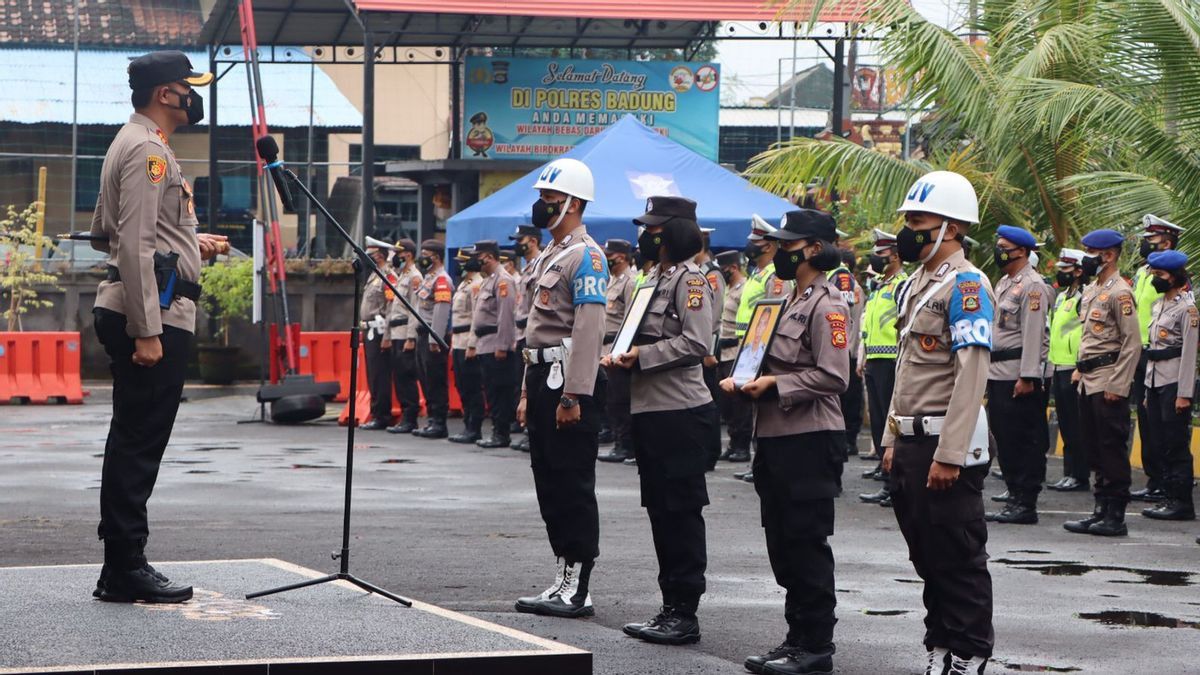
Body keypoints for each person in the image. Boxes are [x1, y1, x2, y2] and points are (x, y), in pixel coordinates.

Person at [89, 50, 227, 602]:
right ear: (167, 94)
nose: (195, 96)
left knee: (134, 438)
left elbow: (109, 231)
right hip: (154, 315)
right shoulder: (149, 150)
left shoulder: (138, 142)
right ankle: (126, 566)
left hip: (152, 307)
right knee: (139, 443)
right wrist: (147, 329)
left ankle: (120, 565)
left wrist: (192, 242)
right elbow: (132, 241)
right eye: (189, 87)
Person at [724, 209, 849, 675]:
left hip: (811, 438)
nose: (780, 251)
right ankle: (796, 637)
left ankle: (815, 645)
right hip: (775, 436)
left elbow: (833, 375)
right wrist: (745, 379)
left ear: (813, 248)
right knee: (781, 542)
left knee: (805, 542)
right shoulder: (784, 300)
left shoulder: (828, 305)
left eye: (789, 244)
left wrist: (775, 385)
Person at [880, 171, 995, 674]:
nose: (909, 229)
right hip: (909, 442)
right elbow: (906, 371)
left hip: (944, 446)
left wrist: (950, 453)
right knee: (925, 556)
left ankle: (969, 653)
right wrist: (889, 437)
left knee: (958, 556)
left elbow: (971, 375)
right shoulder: (915, 284)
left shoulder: (968, 285)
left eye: (918, 220)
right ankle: (941, 646)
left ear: (949, 227)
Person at [609, 197, 716, 645]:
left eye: (654, 229)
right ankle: (669, 605)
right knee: (659, 513)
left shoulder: (691, 280)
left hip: (681, 412)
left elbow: (697, 342)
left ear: (673, 232)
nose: (645, 236)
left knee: (680, 514)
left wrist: (640, 357)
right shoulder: (654, 278)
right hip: (651, 410)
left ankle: (684, 612)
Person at [514, 158, 608, 618]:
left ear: (572, 203)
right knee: (548, 483)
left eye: (550, 200)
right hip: (542, 376)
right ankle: (561, 577)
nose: (542, 206)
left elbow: (588, 332)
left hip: (569, 382)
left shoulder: (587, 256)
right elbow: (534, 332)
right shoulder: (549, 255)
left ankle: (579, 586)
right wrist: (527, 391)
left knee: (572, 483)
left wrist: (575, 395)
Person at [1063, 229, 1142, 537]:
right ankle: (1099, 510)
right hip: (1089, 379)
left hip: (1108, 381)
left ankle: (1115, 515)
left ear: (1108, 255)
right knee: (1094, 448)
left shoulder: (1121, 292)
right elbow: (1091, 337)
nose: (1085, 258)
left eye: (1090, 252)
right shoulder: (1093, 289)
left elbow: (1131, 343)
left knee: (1111, 448)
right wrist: (1080, 370)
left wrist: (1118, 385)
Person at [984, 225, 1050, 525]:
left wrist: (1029, 376)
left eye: (1004, 246)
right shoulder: (1004, 283)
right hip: (998, 372)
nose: (998, 251)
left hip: (1018, 375)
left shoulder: (1032, 286)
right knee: (1005, 438)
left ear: (1022, 251)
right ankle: (1013, 495)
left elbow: (1034, 335)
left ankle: (1025, 502)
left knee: (1024, 438)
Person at [733, 219, 793, 482]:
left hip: (761, 347)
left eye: (755, 243)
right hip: (746, 346)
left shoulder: (775, 276)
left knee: (761, 407)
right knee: (750, 407)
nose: (750, 247)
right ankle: (757, 461)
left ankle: (763, 461)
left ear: (769, 246)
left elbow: (777, 314)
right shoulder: (756, 275)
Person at [1138, 250, 1197, 521]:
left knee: (1176, 444)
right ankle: (1167, 496)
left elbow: (1189, 354)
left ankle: (1181, 501)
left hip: (1174, 382)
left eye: (1160, 275)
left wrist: (1184, 393)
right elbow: (1154, 349)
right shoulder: (1159, 305)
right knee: (1160, 441)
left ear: (1174, 277)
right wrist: (1149, 389)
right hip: (1156, 381)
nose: (1155, 280)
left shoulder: (1188, 309)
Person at [1130, 215, 1184, 503]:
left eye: (1151, 240)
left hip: (1161, 352)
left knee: (1164, 422)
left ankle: (1167, 481)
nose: (1145, 245)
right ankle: (1154, 479)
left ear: (1167, 241)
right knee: (1146, 417)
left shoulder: (1173, 274)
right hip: (1140, 350)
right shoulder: (1143, 272)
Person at [858, 228, 907, 507]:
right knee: (877, 422)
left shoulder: (901, 284)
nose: (877, 259)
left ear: (896, 256)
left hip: (891, 361)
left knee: (890, 423)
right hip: (875, 360)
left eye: (882, 254)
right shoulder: (879, 287)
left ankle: (895, 484)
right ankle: (886, 476)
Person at [1046, 249, 1088, 492]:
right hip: (1058, 364)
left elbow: (1086, 333)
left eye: (1066, 270)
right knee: (1065, 422)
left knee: (1075, 423)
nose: (1060, 273)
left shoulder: (1084, 296)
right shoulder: (1063, 297)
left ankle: (1079, 475)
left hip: (1073, 366)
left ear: (1079, 272)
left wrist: (1080, 366)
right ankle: (1068, 472)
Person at [471, 240, 519, 448]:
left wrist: (503, 345)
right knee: (491, 389)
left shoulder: (503, 281)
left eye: (479, 256)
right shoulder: (489, 280)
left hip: (495, 344)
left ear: (489, 257)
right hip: (485, 343)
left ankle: (501, 433)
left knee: (500, 390)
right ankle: (497, 430)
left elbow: (505, 316)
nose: (476, 260)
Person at [598, 238, 638, 464]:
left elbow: (629, 320)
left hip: (617, 348)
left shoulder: (630, 282)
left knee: (621, 399)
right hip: (605, 347)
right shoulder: (612, 280)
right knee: (610, 399)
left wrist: (621, 351)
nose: (607, 258)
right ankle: (617, 440)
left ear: (621, 257)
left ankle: (626, 445)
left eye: (610, 254)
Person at [412, 240, 453, 439]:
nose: (422, 258)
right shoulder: (428, 278)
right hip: (422, 334)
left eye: (425, 254)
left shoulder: (442, 279)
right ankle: (431, 420)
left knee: (436, 380)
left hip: (432, 335)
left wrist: (435, 338)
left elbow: (441, 310)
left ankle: (439, 422)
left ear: (435, 257)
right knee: (425, 378)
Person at [715, 250, 751, 462]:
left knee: (740, 405)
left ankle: (742, 446)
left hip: (736, 351)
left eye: (724, 269)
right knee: (727, 405)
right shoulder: (728, 290)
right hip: (723, 352)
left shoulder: (744, 289)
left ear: (734, 268)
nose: (721, 273)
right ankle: (733, 442)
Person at [510, 224, 543, 453]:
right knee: (521, 384)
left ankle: (534, 433)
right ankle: (527, 430)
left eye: (520, 240)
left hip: (534, 333)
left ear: (532, 241)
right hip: (522, 333)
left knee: (533, 385)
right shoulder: (526, 268)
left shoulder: (541, 265)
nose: (516, 245)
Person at [447, 247, 485, 444]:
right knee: (461, 385)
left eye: (463, 261)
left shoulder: (476, 285)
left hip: (469, 342)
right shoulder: (464, 284)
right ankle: (466, 423)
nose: (460, 265)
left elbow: (476, 317)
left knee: (472, 386)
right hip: (458, 340)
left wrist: (472, 344)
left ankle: (474, 426)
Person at [830, 249, 862, 481]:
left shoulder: (842, 277)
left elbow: (842, 315)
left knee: (839, 411)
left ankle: (837, 465)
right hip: (845, 353)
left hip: (844, 354)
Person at [358, 236, 396, 430]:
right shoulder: (375, 274)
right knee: (373, 375)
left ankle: (381, 415)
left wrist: (387, 336)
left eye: (370, 255)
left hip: (380, 331)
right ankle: (377, 412)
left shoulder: (387, 275)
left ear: (380, 256)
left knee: (380, 375)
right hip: (370, 329)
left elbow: (390, 307)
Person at [386, 238, 423, 434]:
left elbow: (414, 309)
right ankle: (405, 416)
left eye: (398, 253)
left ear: (407, 254)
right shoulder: (402, 276)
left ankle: (410, 417)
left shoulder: (414, 277)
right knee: (399, 376)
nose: (395, 257)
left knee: (406, 376)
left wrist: (411, 337)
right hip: (395, 332)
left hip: (405, 333)